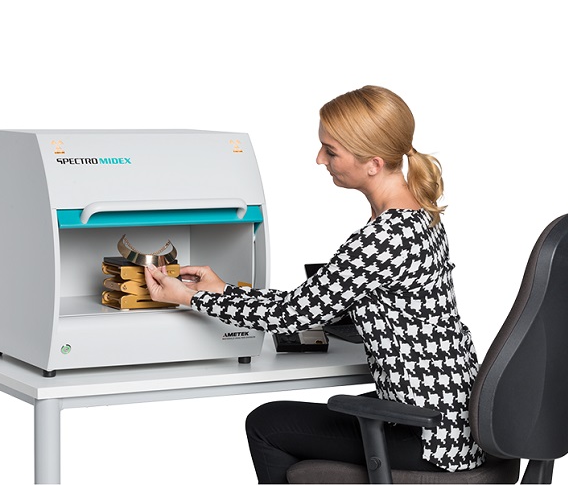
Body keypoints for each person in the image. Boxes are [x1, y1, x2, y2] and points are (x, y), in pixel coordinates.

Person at [144, 85, 485, 482]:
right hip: (457, 420)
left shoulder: (384, 237)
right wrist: (220, 289)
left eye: (331, 151)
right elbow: (318, 301)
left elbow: (293, 313)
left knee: (267, 424)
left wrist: (191, 298)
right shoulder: (421, 216)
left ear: (373, 163)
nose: (320, 159)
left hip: (426, 436)